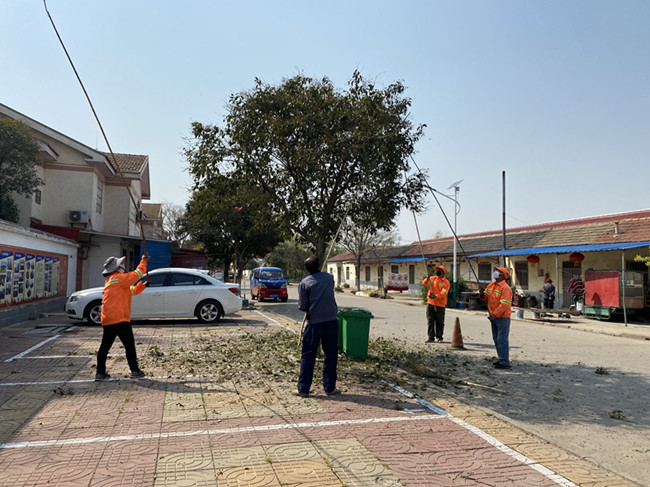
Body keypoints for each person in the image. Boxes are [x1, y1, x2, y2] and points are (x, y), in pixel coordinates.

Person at [95, 253, 149, 381]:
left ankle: (100, 373)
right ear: (117, 268)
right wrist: (144, 261)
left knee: (104, 347)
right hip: (120, 319)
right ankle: (135, 371)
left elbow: (131, 291)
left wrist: (143, 286)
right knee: (129, 346)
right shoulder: (119, 278)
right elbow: (136, 275)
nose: (123, 266)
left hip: (108, 319)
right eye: (121, 264)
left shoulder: (111, 281)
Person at [297, 256, 340, 397]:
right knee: (331, 355)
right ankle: (330, 388)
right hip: (331, 321)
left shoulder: (304, 283)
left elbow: (303, 305)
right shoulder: (329, 278)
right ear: (320, 265)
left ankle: (303, 389)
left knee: (308, 356)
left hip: (314, 323)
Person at [483, 266, 513, 370]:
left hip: (502, 317)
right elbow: (486, 296)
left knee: (502, 340)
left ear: (503, 276)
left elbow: (504, 304)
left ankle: (505, 362)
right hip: (494, 317)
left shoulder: (505, 288)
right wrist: (482, 294)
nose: (495, 272)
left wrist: (495, 315)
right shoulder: (491, 285)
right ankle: (501, 359)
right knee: (496, 339)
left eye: (498, 272)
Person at [421, 265, 450, 343]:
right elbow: (424, 284)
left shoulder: (446, 282)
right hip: (430, 303)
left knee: (439, 321)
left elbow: (444, 293)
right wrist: (426, 279)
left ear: (443, 273)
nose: (437, 271)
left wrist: (436, 296)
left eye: (439, 270)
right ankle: (431, 337)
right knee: (430, 320)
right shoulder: (432, 278)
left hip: (440, 305)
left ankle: (439, 337)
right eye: (437, 270)